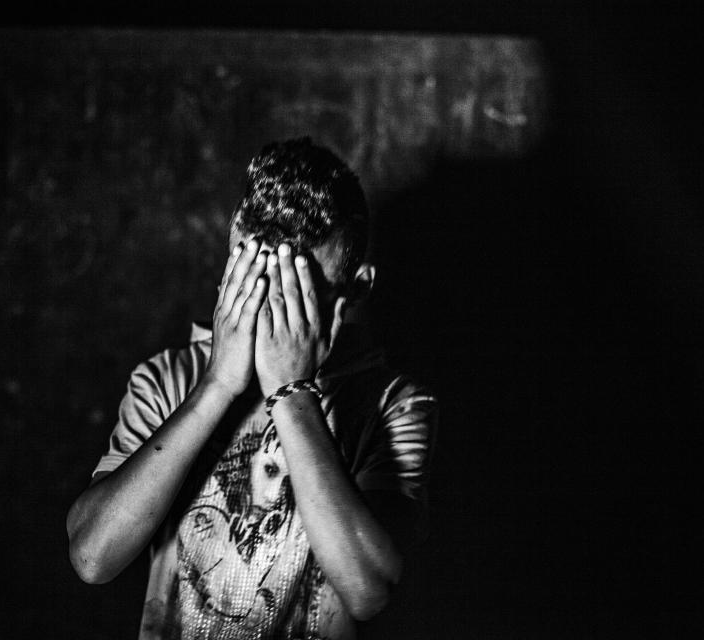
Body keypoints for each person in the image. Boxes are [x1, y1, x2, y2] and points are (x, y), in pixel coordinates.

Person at [66, 137, 438, 640]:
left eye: (299, 292)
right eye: (258, 279)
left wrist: (292, 390)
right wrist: (217, 385)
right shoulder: (168, 379)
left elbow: (370, 590)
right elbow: (92, 557)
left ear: (358, 289)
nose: (271, 312)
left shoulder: (393, 404)